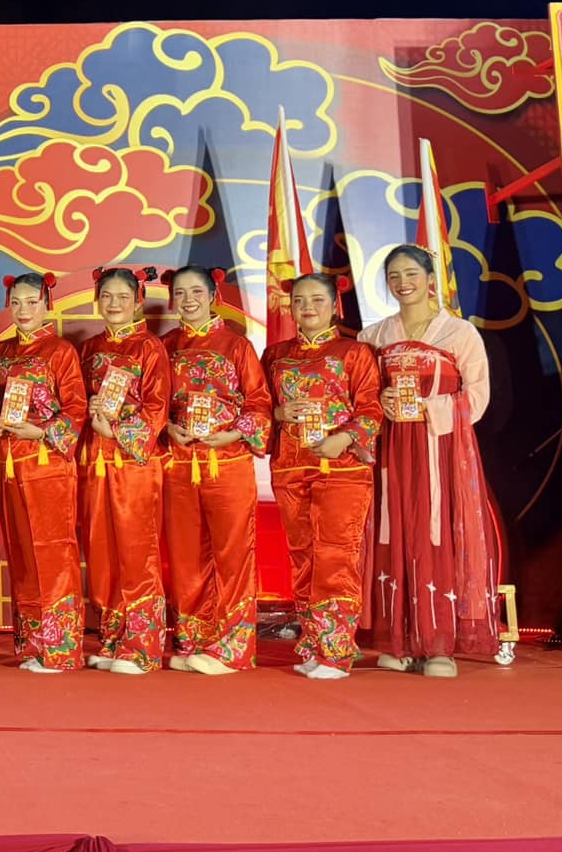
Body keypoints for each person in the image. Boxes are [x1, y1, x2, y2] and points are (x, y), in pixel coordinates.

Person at [359, 244, 506, 677]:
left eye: (411, 274)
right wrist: (379, 401)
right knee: (391, 533)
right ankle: (399, 640)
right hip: (388, 449)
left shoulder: (459, 333)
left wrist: (428, 408)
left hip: (438, 449)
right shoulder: (374, 336)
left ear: (429, 279)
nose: (402, 283)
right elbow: (357, 395)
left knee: (435, 534)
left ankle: (439, 645)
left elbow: (477, 397)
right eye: (394, 276)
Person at [263, 272, 381, 680]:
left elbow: (371, 408)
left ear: (334, 305)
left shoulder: (354, 353)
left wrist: (344, 438)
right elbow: (258, 406)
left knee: (336, 556)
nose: (307, 307)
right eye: (299, 300)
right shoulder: (275, 355)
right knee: (303, 560)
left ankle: (336, 652)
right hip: (290, 467)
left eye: (317, 299)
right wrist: (279, 412)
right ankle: (313, 644)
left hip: (341, 468)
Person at [161, 266, 272, 675]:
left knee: (233, 553)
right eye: (180, 292)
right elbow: (153, 401)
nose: (188, 299)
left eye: (196, 291)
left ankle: (232, 648)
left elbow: (259, 403)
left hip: (227, 463)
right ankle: (193, 640)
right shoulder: (165, 346)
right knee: (185, 556)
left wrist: (233, 434)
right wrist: (166, 426)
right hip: (179, 463)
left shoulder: (236, 345)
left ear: (212, 296)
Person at [0, 272, 89, 673]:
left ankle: (60, 650)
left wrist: (42, 431)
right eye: (16, 303)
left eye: (32, 302)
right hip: (8, 464)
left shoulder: (60, 352)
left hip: (47, 464)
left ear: (46, 304)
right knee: (22, 556)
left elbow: (76, 408)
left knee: (54, 553)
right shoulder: (1, 351)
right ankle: (32, 646)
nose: (24, 310)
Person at [76, 266, 172, 674]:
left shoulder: (150, 348)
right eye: (107, 296)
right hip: (95, 462)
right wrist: (90, 413)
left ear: (137, 302)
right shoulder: (90, 348)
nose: (114, 304)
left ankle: (143, 647)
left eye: (122, 297)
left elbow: (157, 408)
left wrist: (115, 429)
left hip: (134, 464)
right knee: (102, 555)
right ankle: (113, 638)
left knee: (137, 553)